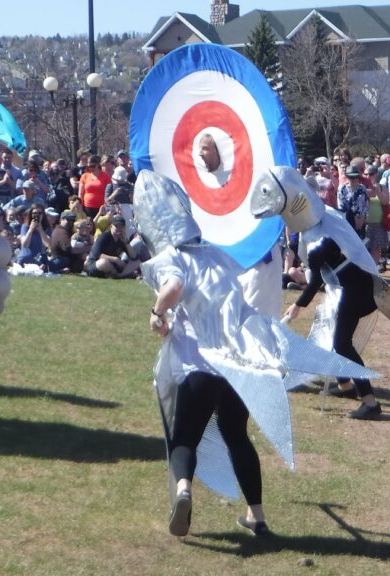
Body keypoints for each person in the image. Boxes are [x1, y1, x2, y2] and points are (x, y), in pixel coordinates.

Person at [136, 170, 375, 537]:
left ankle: (183, 489)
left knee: (185, 437)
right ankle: (256, 515)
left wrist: (157, 314)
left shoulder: (171, 260)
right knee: (236, 433)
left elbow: (174, 286)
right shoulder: (216, 255)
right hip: (241, 364)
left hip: (202, 366)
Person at [250, 166, 390, 420]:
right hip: (355, 286)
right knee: (336, 336)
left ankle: (369, 401)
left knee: (342, 344)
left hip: (357, 290)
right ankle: (345, 385)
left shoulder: (318, 238)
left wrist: (299, 305)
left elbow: (316, 279)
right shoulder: (329, 219)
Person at [85, 214, 139, 278]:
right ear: (111, 226)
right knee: (103, 262)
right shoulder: (104, 237)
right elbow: (97, 255)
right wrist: (115, 259)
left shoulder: (122, 240)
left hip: (113, 266)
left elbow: (134, 257)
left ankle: (120, 275)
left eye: (121, 226)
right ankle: (121, 275)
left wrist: (126, 243)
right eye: (116, 226)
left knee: (136, 262)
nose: (119, 229)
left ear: (124, 228)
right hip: (96, 265)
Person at [336, 168, 368, 239]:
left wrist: (362, 218)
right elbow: (341, 206)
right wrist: (354, 218)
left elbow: (365, 203)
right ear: (347, 177)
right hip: (348, 221)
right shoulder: (342, 188)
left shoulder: (362, 188)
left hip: (361, 221)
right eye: (351, 177)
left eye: (355, 177)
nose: (353, 179)